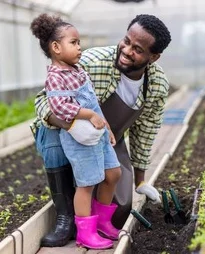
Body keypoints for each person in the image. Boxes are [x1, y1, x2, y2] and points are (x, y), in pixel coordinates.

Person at [30, 14, 172, 247]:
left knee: (122, 203)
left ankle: (98, 223)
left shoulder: (156, 84)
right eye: (126, 41)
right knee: (57, 144)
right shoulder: (91, 62)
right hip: (68, 131)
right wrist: (73, 124)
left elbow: (145, 132)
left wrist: (141, 181)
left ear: (153, 57)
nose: (126, 50)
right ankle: (65, 218)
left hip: (107, 136)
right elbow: (42, 102)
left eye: (137, 49)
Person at [30, 14, 124, 249]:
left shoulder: (78, 70)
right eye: (74, 43)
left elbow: (93, 102)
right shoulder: (55, 76)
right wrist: (89, 115)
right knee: (87, 183)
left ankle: (102, 222)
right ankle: (86, 232)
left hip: (98, 133)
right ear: (56, 47)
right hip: (80, 138)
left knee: (113, 174)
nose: (80, 47)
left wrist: (107, 127)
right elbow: (60, 107)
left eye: (79, 42)